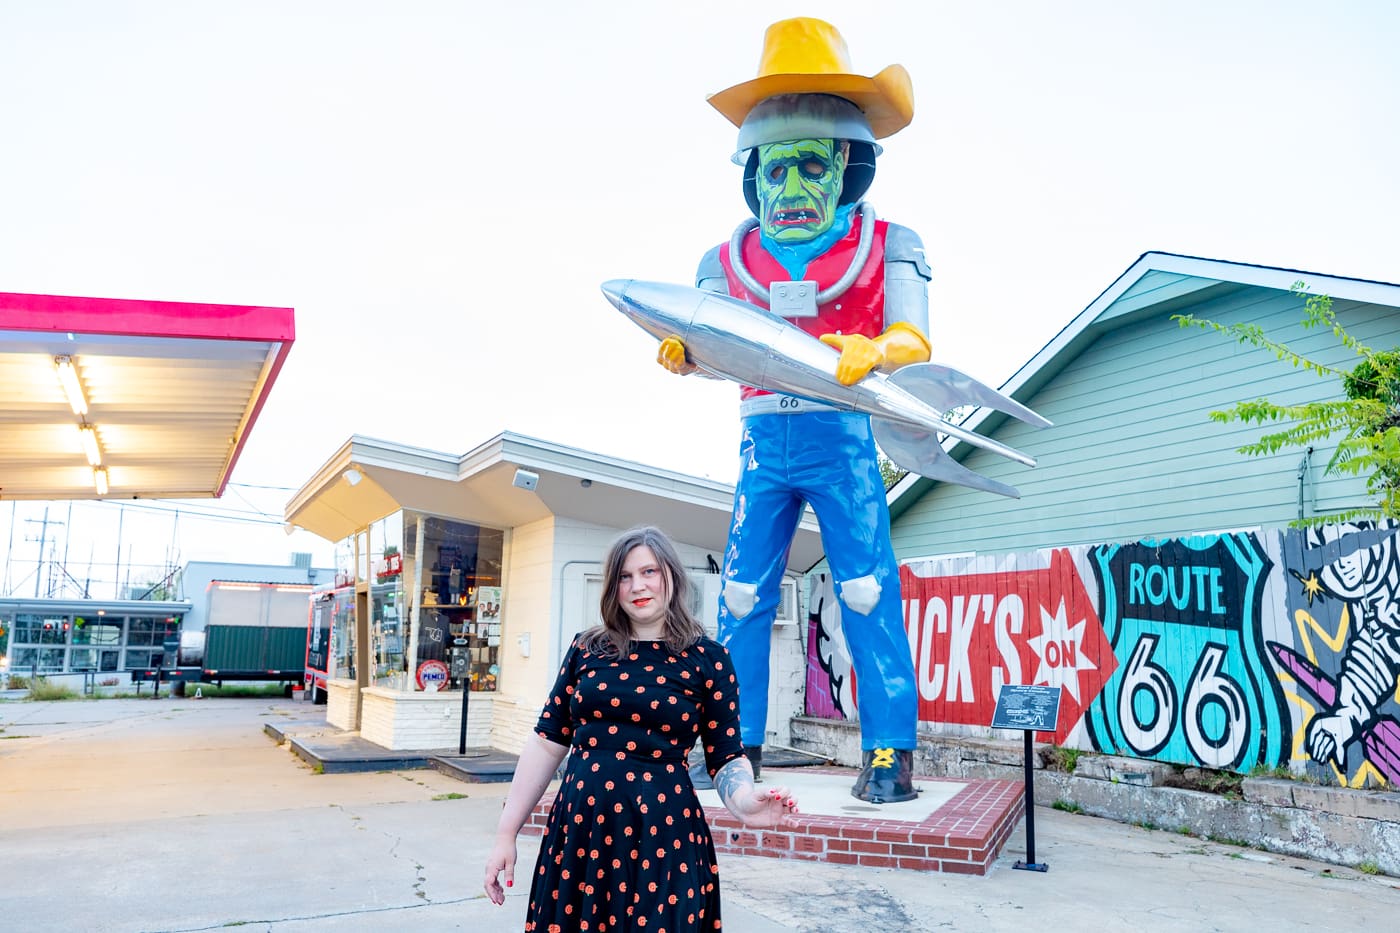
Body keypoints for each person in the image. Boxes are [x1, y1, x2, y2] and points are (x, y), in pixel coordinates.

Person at [656, 17, 926, 803]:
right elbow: (705, 341)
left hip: (841, 436)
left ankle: (888, 747)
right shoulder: (724, 262)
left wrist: (880, 348)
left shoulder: (888, 244)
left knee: (867, 587)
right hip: (759, 442)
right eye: (775, 170)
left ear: (845, 162)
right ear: (753, 173)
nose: (790, 188)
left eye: (809, 164)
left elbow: (913, 335)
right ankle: (733, 743)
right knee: (740, 596)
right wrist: (684, 352)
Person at [484, 526, 797, 932]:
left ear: (672, 576)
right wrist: (506, 833)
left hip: (664, 837)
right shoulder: (586, 648)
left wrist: (744, 802)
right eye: (624, 577)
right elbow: (547, 742)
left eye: (649, 572)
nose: (637, 586)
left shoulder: (709, 659)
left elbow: (726, 757)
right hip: (582, 836)